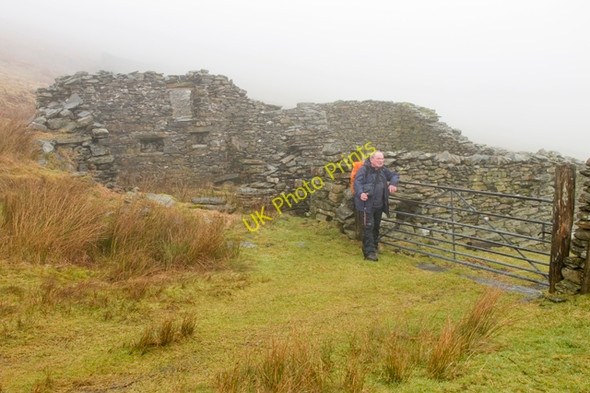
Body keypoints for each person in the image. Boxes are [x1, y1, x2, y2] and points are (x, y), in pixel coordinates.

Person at [353, 151, 399, 261]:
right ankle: (369, 253)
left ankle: (374, 248)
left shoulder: (383, 170)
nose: (381, 161)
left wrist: (393, 183)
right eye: (378, 159)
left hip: (379, 205)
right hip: (366, 205)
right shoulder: (364, 170)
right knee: (368, 227)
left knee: (376, 227)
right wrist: (361, 193)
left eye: (382, 159)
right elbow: (357, 183)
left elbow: (395, 175)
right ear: (371, 159)